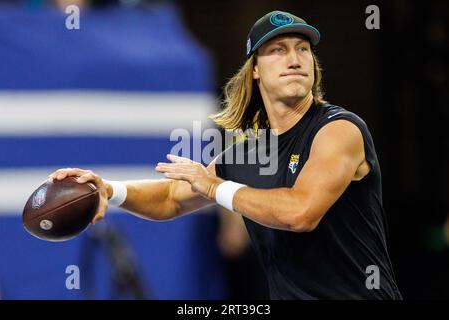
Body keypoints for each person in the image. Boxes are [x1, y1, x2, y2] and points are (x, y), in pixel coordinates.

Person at [49, 10, 402, 299]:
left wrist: (216, 187)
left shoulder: (340, 130)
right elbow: (172, 198)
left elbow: (301, 212)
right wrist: (109, 190)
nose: (294, 59)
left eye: (302, 49)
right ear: (255, 71)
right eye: (277, 50)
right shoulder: (250, 152)